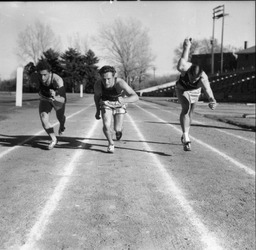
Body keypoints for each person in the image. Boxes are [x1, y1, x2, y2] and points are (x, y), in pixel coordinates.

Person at [176, 38, 217, 151]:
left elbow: (208, 91)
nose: (194, 81)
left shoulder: (203, 78)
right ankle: (186, 137)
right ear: (188, 72)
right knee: (185, 108)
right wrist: (187, 46)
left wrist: (212, 101)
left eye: (196, 79)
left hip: (195, 91)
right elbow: (185, 54)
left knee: (191, 113)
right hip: (182, 88)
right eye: (192, 78)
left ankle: (186, 132)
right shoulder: (183, 67)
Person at [94, 65, 139, 153]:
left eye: (109, 79)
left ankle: (119, 131)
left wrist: (124, 100)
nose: (106, 82)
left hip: (119, 104)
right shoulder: (98, 85)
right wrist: (97, 110)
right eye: (104, 79)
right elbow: (96, 97)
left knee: (117, 129)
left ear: (114, 77)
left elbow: (135, 97)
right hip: (106, 103)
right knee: (106, 125)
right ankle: (111, 143)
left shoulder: (120, 83)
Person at [36, 60, 67, 150]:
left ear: (50, 73)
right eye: (40, 75)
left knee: (60, 117)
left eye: (45, 75)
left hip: (58, 98)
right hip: (45, 99)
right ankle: (54, 139)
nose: (42, 78)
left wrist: (55, 96)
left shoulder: (58, 80)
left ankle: (62, 125)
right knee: (43, 118)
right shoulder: (36, 78)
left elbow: (63, 99)